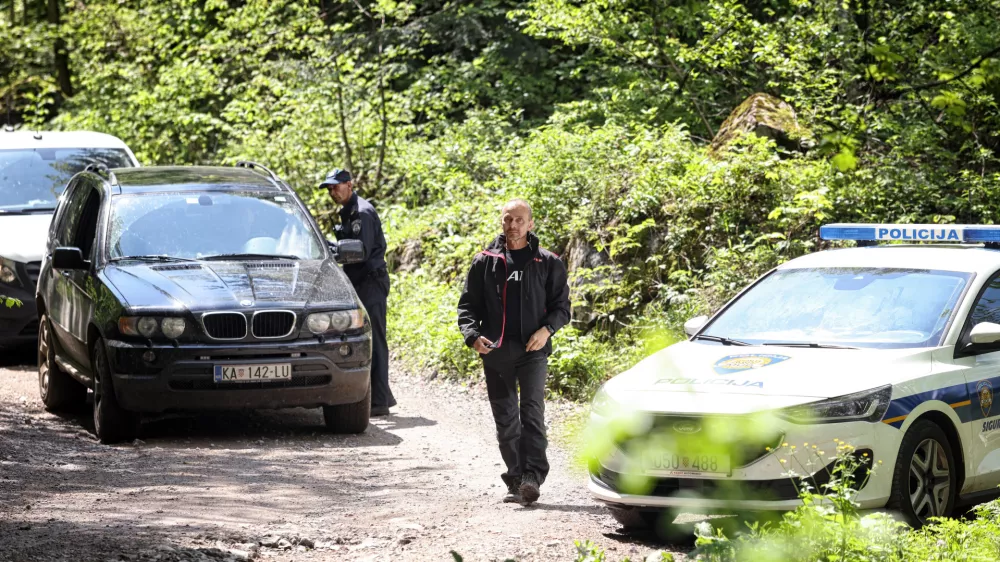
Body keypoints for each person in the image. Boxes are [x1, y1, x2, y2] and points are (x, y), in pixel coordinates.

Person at [456, 199, 571, 505]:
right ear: (502, 222)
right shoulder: (485, 261)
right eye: (508, 220)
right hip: (496, 352)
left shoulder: (548, 262)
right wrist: (473, 336)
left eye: (520, 220)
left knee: (532, 412)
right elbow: (467, 306)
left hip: (533, 350)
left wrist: (546, 330)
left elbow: (562, 308)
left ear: (530, 224)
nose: (513, 225)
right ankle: (516, 479)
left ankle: (533, 476)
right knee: (505, 418)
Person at [322, 169, 396, 416]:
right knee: (364, 339)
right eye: (329, 189)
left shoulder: (362, 213)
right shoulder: (348, 212)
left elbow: (358, 252)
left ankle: (379, 402)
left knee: (374, 340)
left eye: (335, 187)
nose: (332, 192)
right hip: (359, 282)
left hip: (370, 282)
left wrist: (334, 249)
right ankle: (380, 393)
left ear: (349, 185)